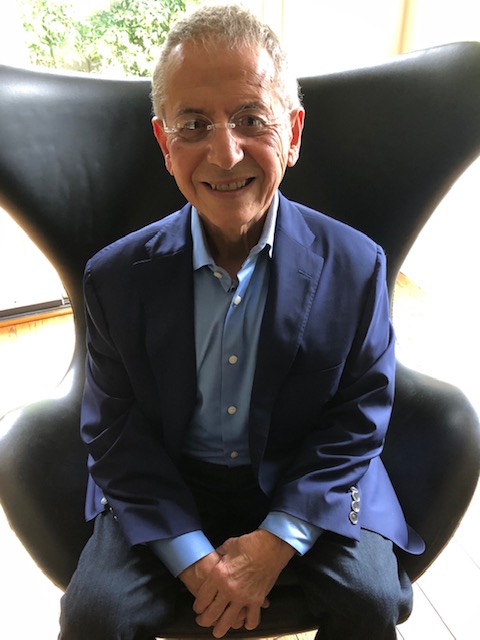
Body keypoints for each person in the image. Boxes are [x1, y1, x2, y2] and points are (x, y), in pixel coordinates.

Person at [59, 4, 424, 639]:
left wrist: (278, 540)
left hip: (303, 471)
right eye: (194, 125)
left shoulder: (357, 264)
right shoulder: (115, 277)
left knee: (370, 600)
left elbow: (359, 413)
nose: (225, 154)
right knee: (96, 614)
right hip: (167, 479)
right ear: (164, 143)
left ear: (294, 131)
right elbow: (115, 430)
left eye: (252, 119)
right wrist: (194, 558)